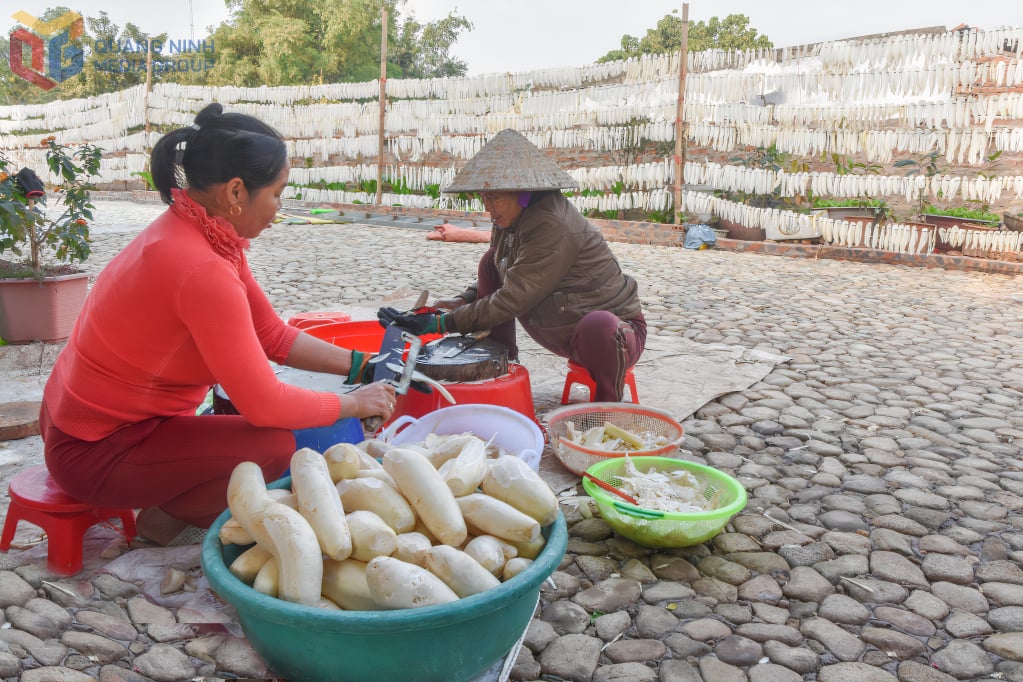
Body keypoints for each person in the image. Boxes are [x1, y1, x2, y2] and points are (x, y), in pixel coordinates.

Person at [39, 103, 396, 547]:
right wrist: (356, 404)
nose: (280, 207)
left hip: (76, 424)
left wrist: (362, 366)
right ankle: (162, 518)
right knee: (271, 448)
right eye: (278, 193)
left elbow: (272, 335)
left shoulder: (202, 234)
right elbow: (265, 404)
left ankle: (168, 496)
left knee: (252, 427)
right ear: (235, 192)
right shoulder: (201, 269)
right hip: (93, 452)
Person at [379, 128, 646, 402]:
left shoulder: (552, 225)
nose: (489, 207)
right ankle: (501, 361)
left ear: (522, 193)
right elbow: (505, 269)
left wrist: (441, 323)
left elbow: (514, 297)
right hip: (563, 326)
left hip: (614, 337)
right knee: (489, 264)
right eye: (485, 198)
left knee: (598, 325)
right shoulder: (509, 219)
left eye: (495, 198)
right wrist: (461, 300)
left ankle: (606, 408)